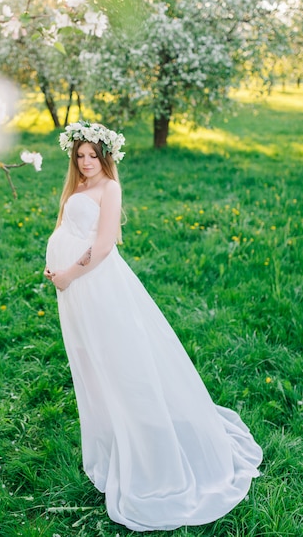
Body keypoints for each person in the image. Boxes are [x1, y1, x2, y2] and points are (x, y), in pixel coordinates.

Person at [44, 120, 263, 532]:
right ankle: (110, 434)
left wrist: (70, 273)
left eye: (93, 155)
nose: (87, 162)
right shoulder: (76, 187)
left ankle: (146, 444)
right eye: (80, 156)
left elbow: (105, 244)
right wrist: (56, 267)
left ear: (106, 156)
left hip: (94, 284)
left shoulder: (110, 188)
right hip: (73, 288)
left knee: (120, 360)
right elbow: (70, 229)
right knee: (90, 362)